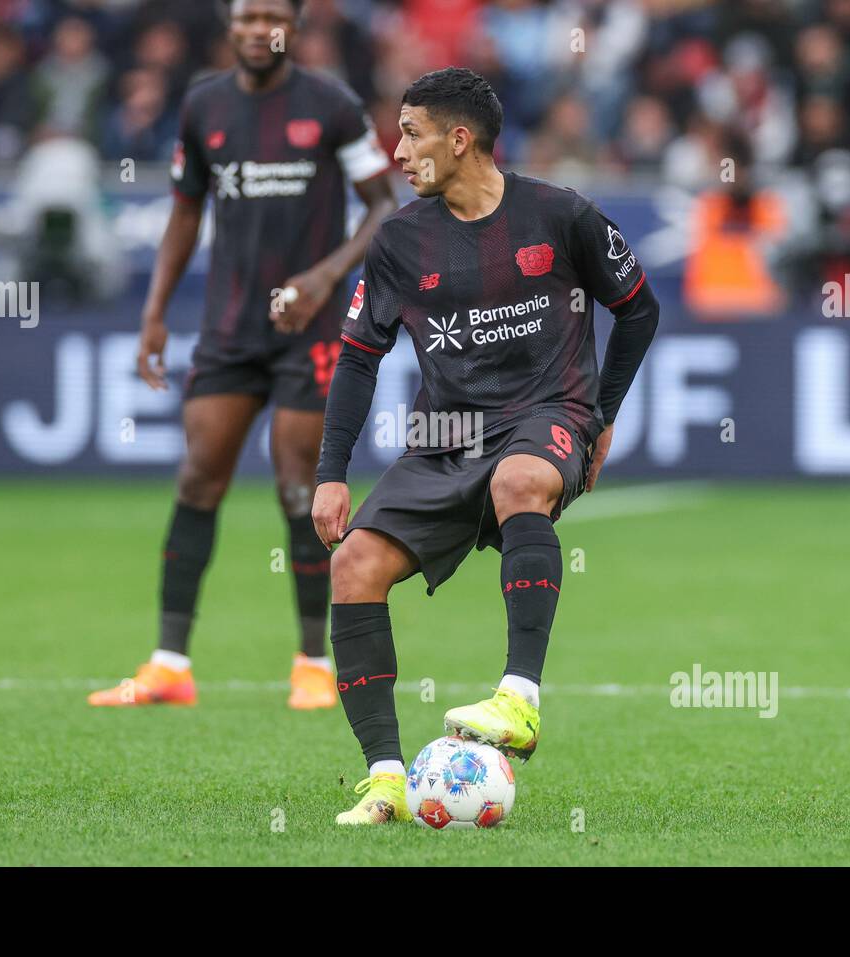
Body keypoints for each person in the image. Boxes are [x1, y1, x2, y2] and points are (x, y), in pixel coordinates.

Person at [311, 67, 660, 824]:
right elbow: (358, 358)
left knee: (519, 480)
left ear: (459, 139)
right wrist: (331, 473)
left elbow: (639, 309)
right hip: (446, 436)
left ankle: (519, 700)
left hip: (547, 411)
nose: (398, 151)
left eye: (411, 134)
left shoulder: (562, 215)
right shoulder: (399, 240)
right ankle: (386, 780)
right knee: (353, 565)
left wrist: (599, 417)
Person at [89, 0, 396, 711]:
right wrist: (154, 312)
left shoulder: (331, 105)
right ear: (229, 26)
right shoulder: (204, 105)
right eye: (246, 17)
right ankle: (170, 664)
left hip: (310, 330)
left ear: (295, 24)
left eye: (271, 16)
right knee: (199, 477)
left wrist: (324, 277)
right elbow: (185, 210)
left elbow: (383, 204)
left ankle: (312, 662)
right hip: (229, 329)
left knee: (296, 485)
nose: (259, 29)